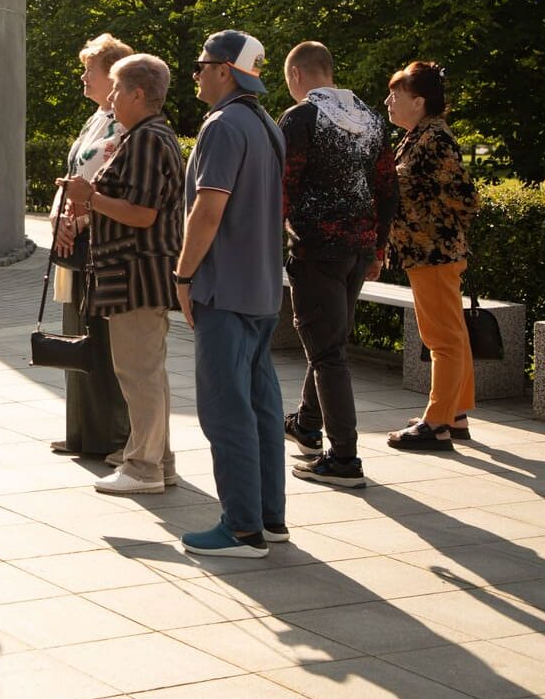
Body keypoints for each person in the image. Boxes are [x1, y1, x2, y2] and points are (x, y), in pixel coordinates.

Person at [175, 30, 288, 558]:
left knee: (227, 412)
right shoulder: (267, 124)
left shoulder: (222, 126)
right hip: (264, 289)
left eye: (202, 65)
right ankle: (269, 518)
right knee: (262, 407)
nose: (196, 73)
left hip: (225, 291)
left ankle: (241, 530)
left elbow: (209, 209)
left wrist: (182, 275)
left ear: (225, 69)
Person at [58, 53, 185, 495]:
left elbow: (143, 214)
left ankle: (143, 467)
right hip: (137, 273)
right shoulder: (145, 136)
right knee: (147, 371)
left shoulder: (147, 139)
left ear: (137, 94)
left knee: (139, 373)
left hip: (136, 273)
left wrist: (87, 197)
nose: (110, 98)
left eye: (116, 89)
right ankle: (158, 460)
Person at [278, 42, 398, 489]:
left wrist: (269, 245)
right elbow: (388, 190)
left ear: (296, 77)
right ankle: (307, 425)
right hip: (360, 247)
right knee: (331, 340)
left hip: (316, 249)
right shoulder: (370, 119)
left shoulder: (301, 118)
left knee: (328, 352)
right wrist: (379, 247)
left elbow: (282, 188)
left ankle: (344, 457)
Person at [384, 61, 480, 451]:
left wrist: (434, 220)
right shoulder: (418, 135)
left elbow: (467, 198)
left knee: (441, 338)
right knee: (450, 333)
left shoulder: (434, 139)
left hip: (435, 252)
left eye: (396, 95)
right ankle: (455, 413)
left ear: (418, 101)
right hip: (427, 252)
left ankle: (437, 422)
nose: (388, 101)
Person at [49, 33, 134, 463]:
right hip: (76, 240)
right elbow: (72, 172)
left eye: (90, 70)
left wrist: (77, 220)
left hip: (98, 241)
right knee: (77, 336)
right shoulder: (97, 119)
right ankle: (83, 433)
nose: (83, 76)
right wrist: (58, 219)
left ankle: (113, 437)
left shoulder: (123, 127)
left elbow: (109, 185)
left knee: (100, 341)